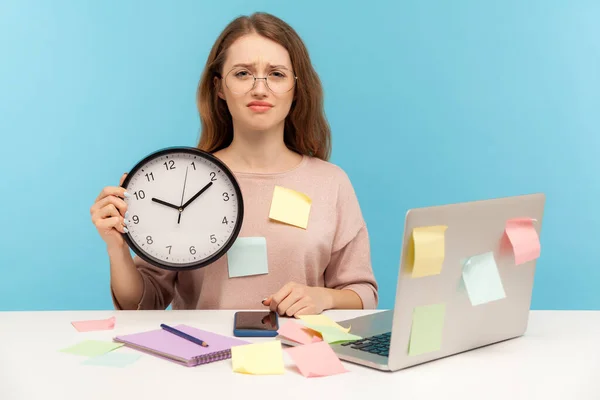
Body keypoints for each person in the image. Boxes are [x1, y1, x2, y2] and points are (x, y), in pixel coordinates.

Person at [90, 12, 378, 317]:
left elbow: (363, 293)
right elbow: (144, 303)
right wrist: (117, 248)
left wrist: (324, 298)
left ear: (296, 87)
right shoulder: (182, 177)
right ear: (219, 88)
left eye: (277, 74)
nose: (260, 88)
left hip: (297, 358)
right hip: (204, 357)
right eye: (242, 73)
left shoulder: (331, 182)